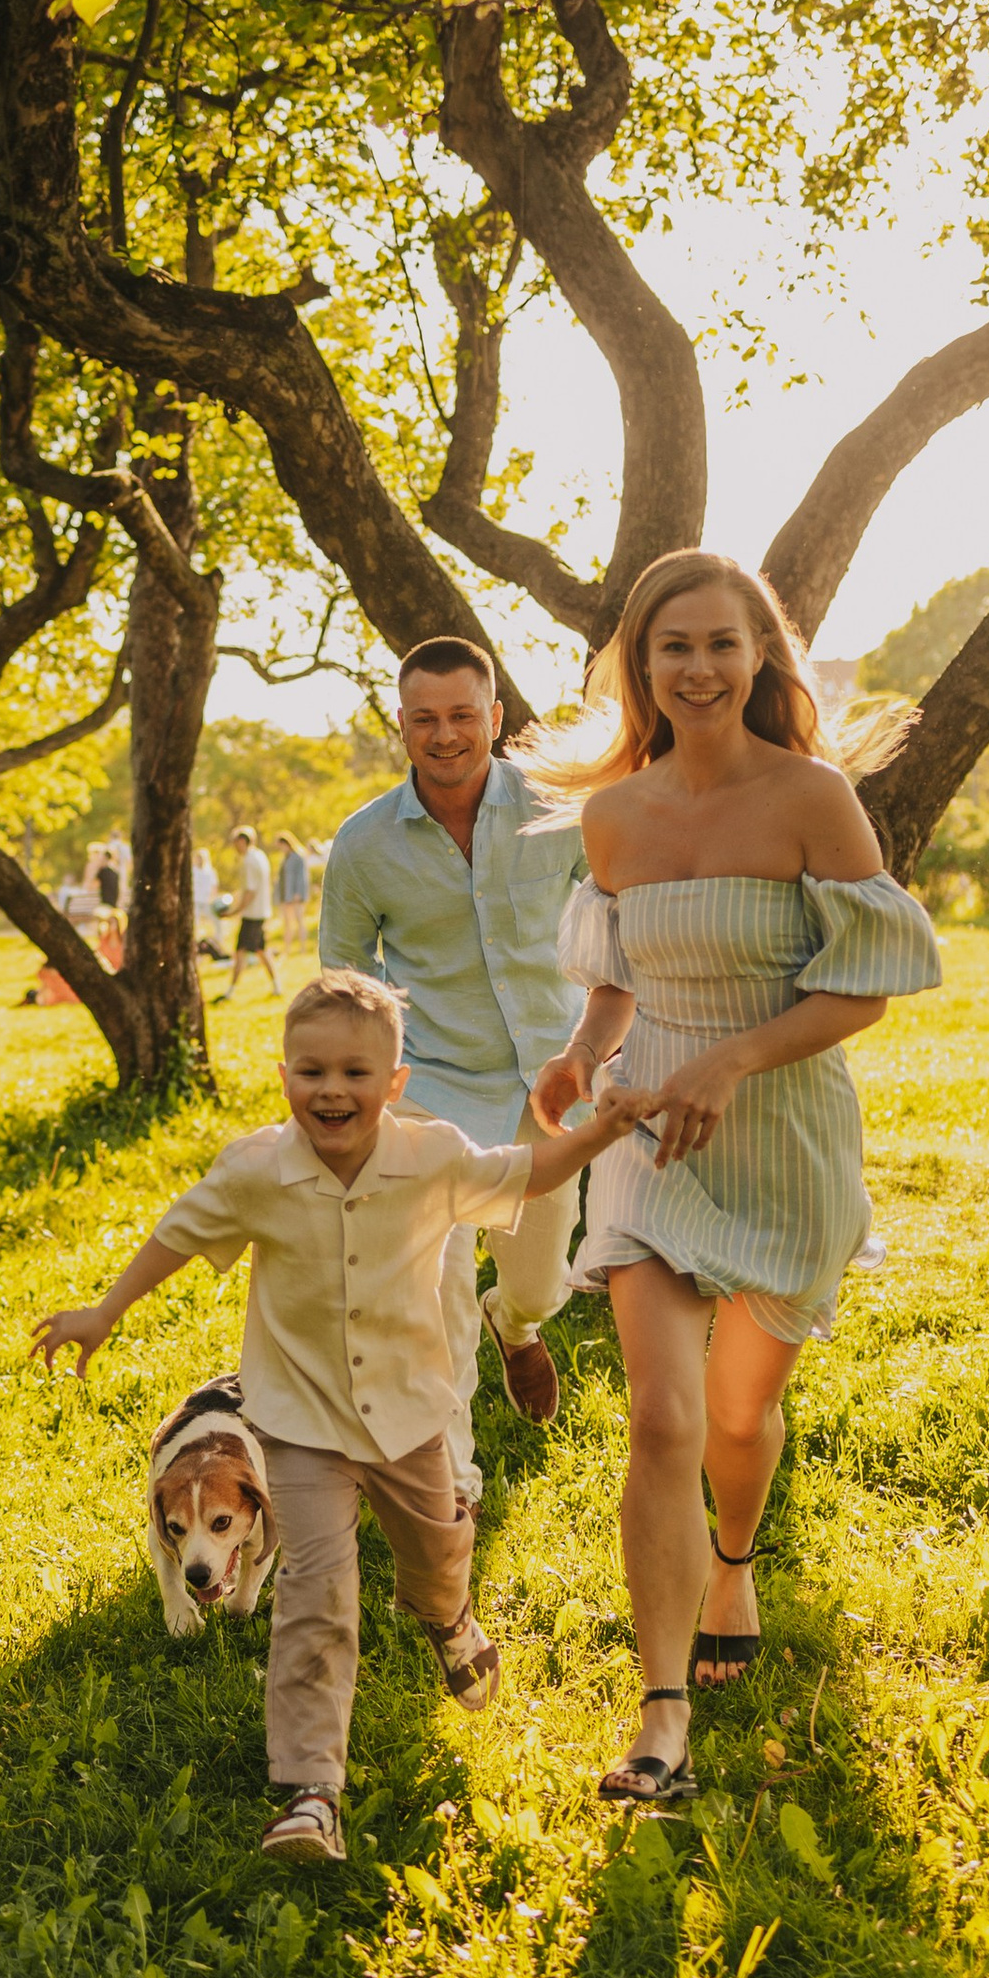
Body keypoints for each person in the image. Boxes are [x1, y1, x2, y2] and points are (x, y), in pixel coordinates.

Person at [31, 968, 633, 1867]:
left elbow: (525, 1168)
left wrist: (604, 1130)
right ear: (284, 1077)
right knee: (314, 1595)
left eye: (356, 1073)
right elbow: (178, 1233)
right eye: (311, 1071)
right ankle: (310, 1793)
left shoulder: (430, 1157)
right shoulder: (257, 1171)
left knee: (435, 1554)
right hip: (298, 1424)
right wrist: (103, 1313)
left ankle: (448, 1619)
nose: (332, 1089)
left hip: (408, 1415)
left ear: (395, 1084)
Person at [526, 550, 942, 1810]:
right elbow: (614, 974)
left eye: (720, 645)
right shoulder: (618, 816)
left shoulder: (814, 798)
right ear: (640, 668)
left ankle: (735, 1558)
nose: (697, 668)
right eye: (672, 648)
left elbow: (861, 987)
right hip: (652, 1134)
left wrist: (731, 1062)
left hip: (782, 1135)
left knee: (739, 1420)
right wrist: (584, 1052)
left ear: (761, 658)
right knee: (661, 1419)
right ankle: (658, 1718)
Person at [320, 636, 590, 1496]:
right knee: (432, 1292)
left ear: (495, 718)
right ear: (401, 724)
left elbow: (614, 916)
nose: (445, 735)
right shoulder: (363, 845)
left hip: (549, 1088)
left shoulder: (561, 806)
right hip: (431, 1092)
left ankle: (516, 1323)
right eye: (426, 719)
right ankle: (453, 1482)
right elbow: (342, 981)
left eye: (463, 716)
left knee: (542, 1278)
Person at [225, 826, 281, 1000]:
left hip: (252, 914)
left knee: (240, 951)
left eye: (235, 843)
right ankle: (277, 986)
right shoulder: (260, 856)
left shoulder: (249, 860)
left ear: (242, 841)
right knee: (261, 951)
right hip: (261, 911)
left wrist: (235, 911)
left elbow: (250, 891)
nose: (235, 847)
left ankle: (231, 991)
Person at [275, 832, 311, 950]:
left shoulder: (298, 857)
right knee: (287, 923)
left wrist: (298, 893)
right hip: (286, 896)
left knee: (299, 921)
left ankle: (302, 947)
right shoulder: (285, 859)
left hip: (296, 896)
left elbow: (301, 877)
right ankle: (287, 948)